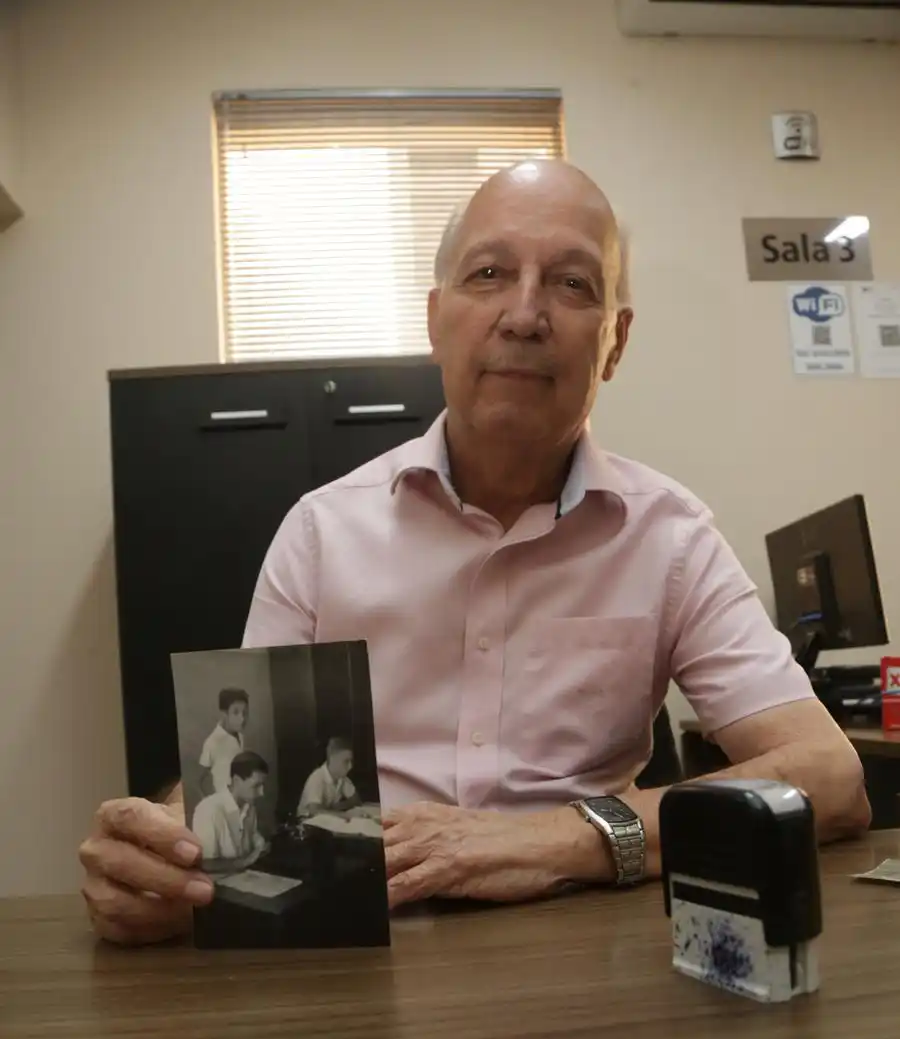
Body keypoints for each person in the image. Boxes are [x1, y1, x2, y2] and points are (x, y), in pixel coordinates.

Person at [79, 159, 869, 946]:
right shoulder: (323, 532)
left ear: (615, 342)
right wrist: (161, 849)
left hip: (586, 948)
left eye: (572, 285)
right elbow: (244, 773)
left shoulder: (670, 537)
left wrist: (561, 839)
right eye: (489, 273)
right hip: (359, 951)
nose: (524, 315)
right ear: (435, 320)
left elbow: (830, 779)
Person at [191, 750, 269, 876]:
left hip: (244, 880)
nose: (262, 793)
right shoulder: (208, 809)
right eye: (256, 786)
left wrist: (261, 847)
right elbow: (204, 864)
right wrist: (246, 861)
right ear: (237, 780)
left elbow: (253, 838)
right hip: (218, 888)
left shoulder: (249, 807)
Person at [199, 688, 248, 796]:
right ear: (224, 714)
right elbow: (200, 780)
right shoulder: (212, 742)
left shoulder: (240, 736)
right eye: (236, 712)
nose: (242, 718)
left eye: (245, 713)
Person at [297, 737, 362, 817]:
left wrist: (338, 806)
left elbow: (356, 800)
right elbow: (314, 811)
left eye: (351, 761)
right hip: (305, 822)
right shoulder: (317, 777)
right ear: (332, 759)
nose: (350, 766)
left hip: (326, 821)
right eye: (346, 761)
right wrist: (344, 815)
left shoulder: (342, 778)